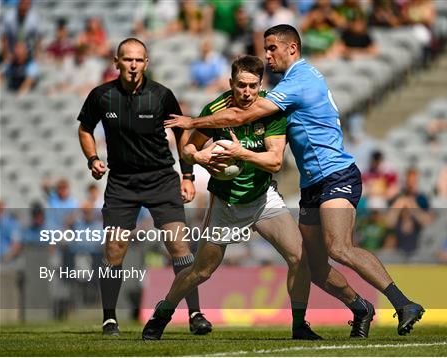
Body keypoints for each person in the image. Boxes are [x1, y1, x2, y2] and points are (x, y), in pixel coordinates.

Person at [165, 24, 424, 336]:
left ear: (292, 49)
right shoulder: (292, 81)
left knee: (339, 247)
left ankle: (403, 303)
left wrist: (192, 121)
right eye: (266, 48)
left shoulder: (300, 79)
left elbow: (241, 116)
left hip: (336, 173)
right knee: (312, 267)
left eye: (272, 48)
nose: (267, 54)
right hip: (312, 184)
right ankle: (360, 307)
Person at [143, 55, 377, 341]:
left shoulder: (271, 109)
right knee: (201, 271)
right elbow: (188, 149)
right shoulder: (215, 110)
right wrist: (201, 157)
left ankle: (300, 325)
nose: (247, 92)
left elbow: (275, 162)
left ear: (260, 85)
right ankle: (163, 312)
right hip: (226, 204)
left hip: (264, 200)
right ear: (231, 83)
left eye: (253, 86)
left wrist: (241, 154)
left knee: (299, 257)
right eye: (241, 85)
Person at [77, 38, 211, 336]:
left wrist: (187, 176)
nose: (133, 65)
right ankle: (109, 317)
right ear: (116, 62)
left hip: (161, 179)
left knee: (179, 247)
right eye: (127, 60)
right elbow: (85, 128)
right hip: (122, 182)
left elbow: (182, 134)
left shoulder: (162, 95)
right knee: (114, 249)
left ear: (146, 63)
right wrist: (92, 159)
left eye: (138, 60)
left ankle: (196, 313)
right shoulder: (101, 96)